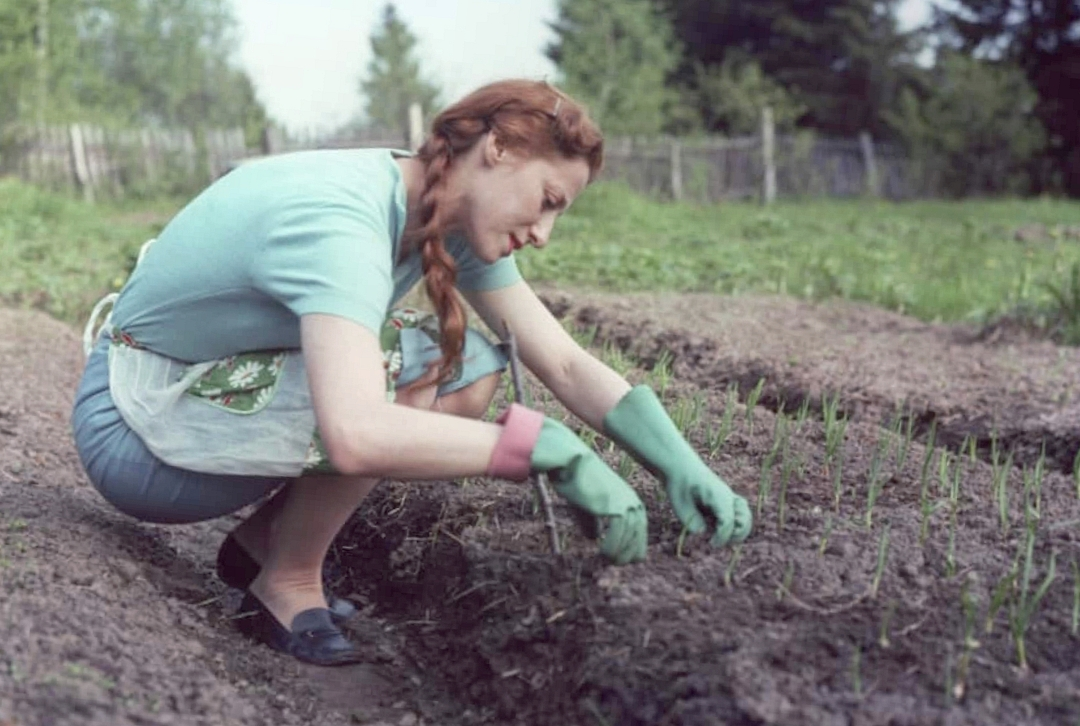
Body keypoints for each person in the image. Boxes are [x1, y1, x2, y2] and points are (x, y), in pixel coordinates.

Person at [70, 79, 752, 667]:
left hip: (202, 394)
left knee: (464, 365)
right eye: (547, 200)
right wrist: (548, 449)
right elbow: (357, 433)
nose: (544, 232)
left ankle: (263, 547)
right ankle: (288, 578)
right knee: (391, 368)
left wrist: (677, 464)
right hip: (136, 431)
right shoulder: (342, 220)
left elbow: (564, 361)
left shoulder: (446, 212)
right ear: (498, 149)